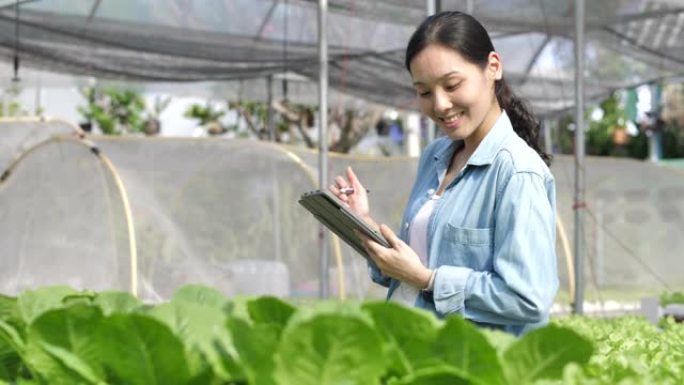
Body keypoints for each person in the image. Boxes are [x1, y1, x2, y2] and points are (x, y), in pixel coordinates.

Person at [329, 11, 558, 335]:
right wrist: (364, 225)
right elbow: (411, 266)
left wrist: (427, 280)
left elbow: (528, 298)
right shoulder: (435, 156)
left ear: (493, 67)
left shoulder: (518, 172)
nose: (439, 105)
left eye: (452, 85)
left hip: (470, 362)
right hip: (408, 344)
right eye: (424, 92)